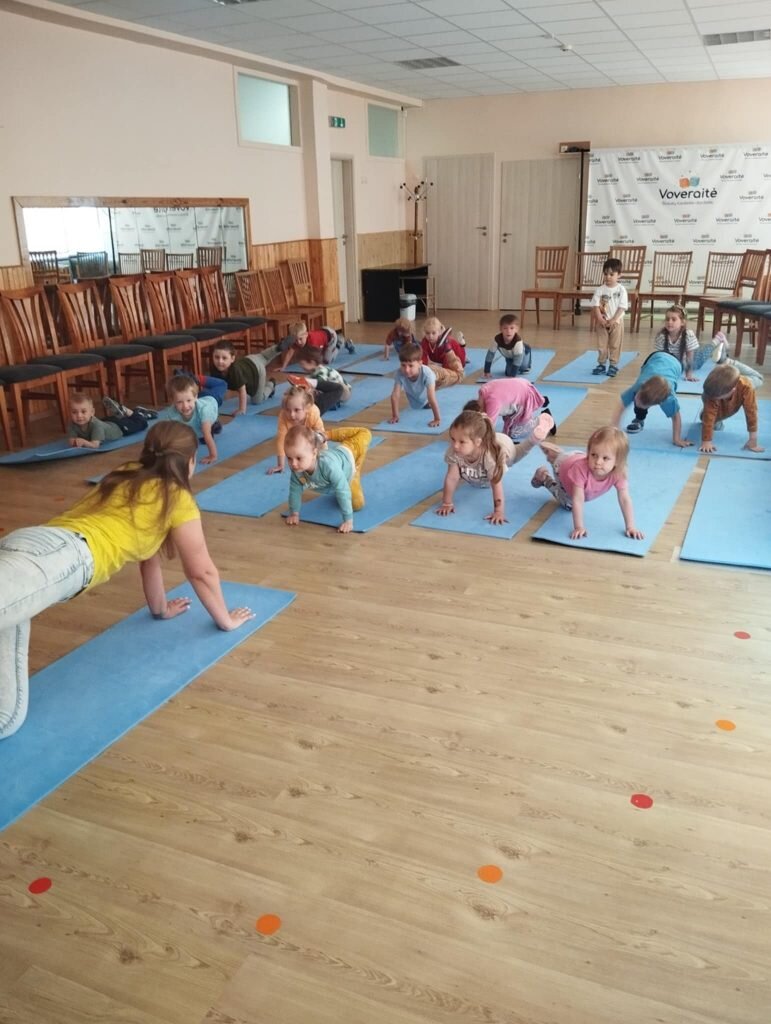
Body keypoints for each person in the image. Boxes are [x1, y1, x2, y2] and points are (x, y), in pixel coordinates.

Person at [0, 421, 254, 739]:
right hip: (60, 559)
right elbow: (201, 572)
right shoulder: (178, 499)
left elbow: (148, 556)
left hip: (31, 541)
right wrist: (226, 621)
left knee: (7, 718)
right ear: (190, 462)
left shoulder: (128, 473)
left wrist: (160, 609)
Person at [436, 409, 552, 526]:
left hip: (504, 445)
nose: (455, 445)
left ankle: (532, 440)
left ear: (477, 442)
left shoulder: (489, 457)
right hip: (485, 443)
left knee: (516, 454)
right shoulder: (454, 451)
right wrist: (447, 503)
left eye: (461, 442)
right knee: (479, 474)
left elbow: (496, 484)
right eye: (453, 439)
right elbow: (452, 478)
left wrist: (498, 512)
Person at [531, 427, 644, 542]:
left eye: (605, 458)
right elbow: (578, 499)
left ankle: (558, 454)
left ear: (618, 461)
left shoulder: (619, 472)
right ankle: (544, 477)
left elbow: (624, 499)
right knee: (568, 504)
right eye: (593, 455)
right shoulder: (581, 470)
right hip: (563, 467)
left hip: (575, 456)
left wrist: (630, 527)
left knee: (574, 461)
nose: (598, 462)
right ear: (589, 453)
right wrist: (579, 527)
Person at [284, 425, 372, 534]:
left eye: (298, 458)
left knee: (365, 433)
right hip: (338, 474)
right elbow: (294, 492)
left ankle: (325, 435)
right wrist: (294, 513)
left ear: (314, 453)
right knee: (349, 497)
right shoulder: (297, 471)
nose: (293, 464)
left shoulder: (328, 466)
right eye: (289, 458)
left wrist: (348, 520)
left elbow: (342, 490)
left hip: (350, 457)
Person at [611, 350, 690, 446]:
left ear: (657, 404)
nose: (636, 400)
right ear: (642, 387)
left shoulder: (669, 399)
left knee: (683, 366)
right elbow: (621, 406)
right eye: (637, 397)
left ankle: (684, 361)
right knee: (635, 398)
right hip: (655, 356)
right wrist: (614, 430)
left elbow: (676, 417)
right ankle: (639, 419)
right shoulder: (638, 386)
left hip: (676, 363)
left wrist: (677, 439)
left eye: (640, 402)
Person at [699, 363, 765, 454]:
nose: (713, 398)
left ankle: (732, 363)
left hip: (747, 383)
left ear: (732, 391)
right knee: (709, 417)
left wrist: (753, 439)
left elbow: (751, 412)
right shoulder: (711, 394)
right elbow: (709, 416)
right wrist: (706, 441)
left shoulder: (747, 388)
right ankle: (730, 366)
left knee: (759, 378)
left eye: (717, 397)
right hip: (712, 394)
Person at [467, 377, 555, 442]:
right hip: (521, 385)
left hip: (524, 397)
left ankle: (545, 419)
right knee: (506, 418)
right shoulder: (483, 390)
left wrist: (476, 440)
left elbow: (489, 428)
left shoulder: (492, 403)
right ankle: (540, 400)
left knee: (514, 433)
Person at [652, 307, 726, 381]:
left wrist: (688, 375)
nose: (669, 322)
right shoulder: (661, 336)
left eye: (674, 319)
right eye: (667, 319)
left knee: (698, 362)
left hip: (690, 356)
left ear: (682, 322)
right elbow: (661, 358)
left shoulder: (688, 335)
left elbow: (689, 358)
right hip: (677, 361)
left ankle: (717, 340)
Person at [268, 385, 325, 475]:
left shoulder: (313, 413)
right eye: (288, 410)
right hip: (296, 435)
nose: (292, 415)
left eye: (297, 410)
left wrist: (324, 458)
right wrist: (280, 465)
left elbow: (322, 436)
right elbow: (281, 440)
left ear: (307, 408)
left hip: (313, 435)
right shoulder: (283, 416)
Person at [210, 340, 279, 412]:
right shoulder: (214, 369)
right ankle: (277, 348)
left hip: (257, 369)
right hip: (250, 359)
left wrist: (242, 409)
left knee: (257, 400)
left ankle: (271, 384)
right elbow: (214, 388)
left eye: (224, 358)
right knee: (262, 357)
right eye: (216, 357)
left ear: (232, 359)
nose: (220, 361)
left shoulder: (235, 371)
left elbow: (242, 390)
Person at [67, 393, 155, 449]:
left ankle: (132, 412)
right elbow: (71, 441)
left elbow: (95, 445)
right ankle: (122, 414)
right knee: (113, 421)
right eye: (74, 412)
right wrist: (75, 442)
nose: (79, 416)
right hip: (106, 422)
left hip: (119, 427)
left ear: (92, 412)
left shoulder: (96, 425)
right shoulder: (72, 425)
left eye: (83, 412)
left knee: (141, 423)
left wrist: (83, 442)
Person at [590, 257, 628, 378]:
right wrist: (600, 319)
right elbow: (596, 306)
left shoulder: (621, 290)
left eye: (612, 274)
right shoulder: (600, 290)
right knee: (602, 345)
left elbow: (622, 307)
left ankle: (613, 365)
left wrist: (613, 320)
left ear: (619, 275)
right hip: (602, 323)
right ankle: (601, 364)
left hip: (616, 323)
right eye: (606, 274)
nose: (608, 277)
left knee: (615, 344)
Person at [389, 342, 441, 428]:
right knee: (421, 403)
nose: (406, 370)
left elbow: (431, 397)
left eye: (410, 366)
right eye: (403, 365)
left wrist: (437, 419)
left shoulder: (427, 374)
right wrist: (395, 416)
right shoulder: (400, 373)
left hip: (436, 374)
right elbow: (395, 395)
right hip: (421, 389)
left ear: (420, 363)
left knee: (443, 378)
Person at [277, 322, 353, 371]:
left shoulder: (313, 342)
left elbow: (319, 361)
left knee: (327, 360)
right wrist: (283, 367)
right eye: (296, 340)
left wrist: (311, 366)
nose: (298, 342)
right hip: (322, 332)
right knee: (312, 351)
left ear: (306, 334)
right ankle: (337, 341)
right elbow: (290, 353)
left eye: (300, 339)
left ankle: (340, 343)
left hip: (331, 336)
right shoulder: (298, 340)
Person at [483, 313, 532, 378]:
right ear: (501, 329)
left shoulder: (518, 341)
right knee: (508, 373)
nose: (508, 331)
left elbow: (518, 359)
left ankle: (527, 354)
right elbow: (490, 355)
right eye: (505, 328)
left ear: (516, 329)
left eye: (512, 328)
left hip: (522, 353)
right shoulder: (496, 340)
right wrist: (487, 371)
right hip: (510, 356)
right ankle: (510, 363)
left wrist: (512, 377)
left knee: (523, 368)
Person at [420, 317, 466, 383]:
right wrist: (423, 368)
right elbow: (423, 356)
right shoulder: (424, 342)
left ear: (439, 332)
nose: (430, 336)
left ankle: (462, 345)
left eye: (433, 333)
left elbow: (447, 359)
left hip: (455, 354)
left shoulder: (444, 343)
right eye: (427, 333)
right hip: (438, 359)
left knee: (462, 364)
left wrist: (444, 371)